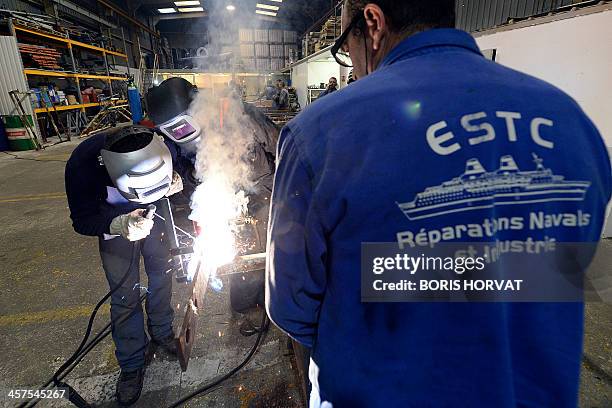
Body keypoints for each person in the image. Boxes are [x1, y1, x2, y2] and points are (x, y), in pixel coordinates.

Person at [265, 1, 612, 407]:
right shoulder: (572, 121)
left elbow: (290, 306)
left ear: (373, 24)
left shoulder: (319, 133)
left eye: (346, 47)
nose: (353, 66)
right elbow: (566, 266)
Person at [65, 126, 184, 406]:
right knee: (124, 295)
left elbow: (188, 162)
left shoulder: (164, 144)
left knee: (162, 274)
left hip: (157, 217)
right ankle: (132, 364)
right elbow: (81, 220)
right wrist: (116, 224)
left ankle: (162, 331)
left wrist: (178, 178)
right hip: (114, 227)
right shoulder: (83, 166)